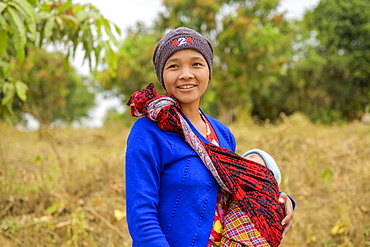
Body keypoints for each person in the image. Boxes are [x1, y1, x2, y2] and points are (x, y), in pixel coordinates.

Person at [125, 27, 294, 247]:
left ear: (208, 72)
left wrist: (280, 199)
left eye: (196, 64)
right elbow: (142, 217)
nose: (186, 74)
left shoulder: (222, 134)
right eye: (174, 66)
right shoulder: (148, 132)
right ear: (162, 75)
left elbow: (234, 192)